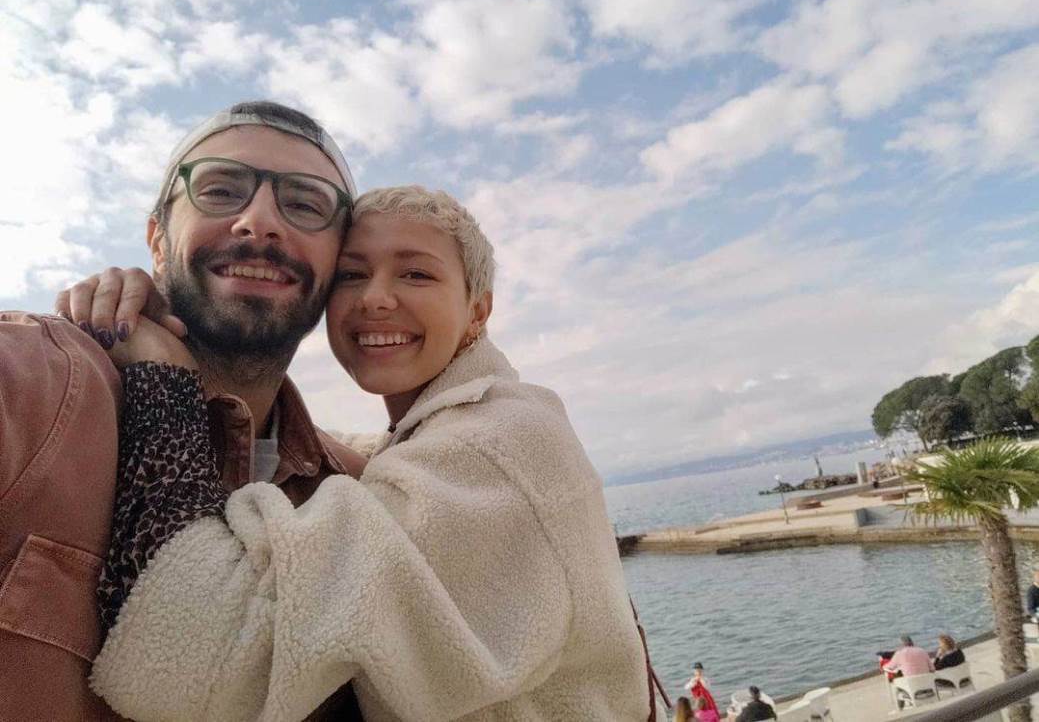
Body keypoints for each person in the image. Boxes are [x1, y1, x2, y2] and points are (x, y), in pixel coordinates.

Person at [83, 186, 649, 720]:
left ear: (478, 310)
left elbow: (189, 663)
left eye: (416, 273)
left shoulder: (496, 443)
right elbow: (383, 464)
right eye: (352, 275)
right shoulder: (445, 431)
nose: (376, 298)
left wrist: (164, 378)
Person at [0, 101, 366, 720]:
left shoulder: (357, 491)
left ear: (339, 263)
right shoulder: (36, 383)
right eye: (221, 190)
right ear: (157, 241)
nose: (259, 223)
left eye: (305, 204)